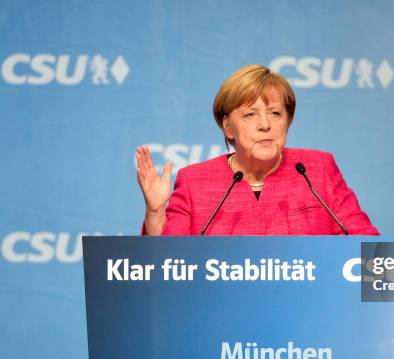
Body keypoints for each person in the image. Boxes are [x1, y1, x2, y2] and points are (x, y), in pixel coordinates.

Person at [136, 64, 378, 236]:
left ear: (287, 121)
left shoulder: (316, 169)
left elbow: (364, 245)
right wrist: (156, 213)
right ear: (228, 126)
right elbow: (168, 267)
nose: (265, 124)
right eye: (250, 114)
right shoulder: (195, 181)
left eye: (275, 113)